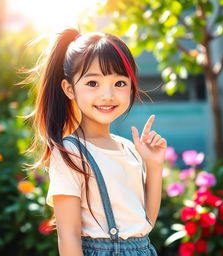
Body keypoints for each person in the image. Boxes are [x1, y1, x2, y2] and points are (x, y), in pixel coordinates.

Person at [28, 28, 167, 256]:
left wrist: (154, 165)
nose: (107, 95)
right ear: (69, 89)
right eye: (93, 83)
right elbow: (68, 236)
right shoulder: (70, 152)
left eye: (119, 83)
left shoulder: (129, 149)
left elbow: (146, 223)